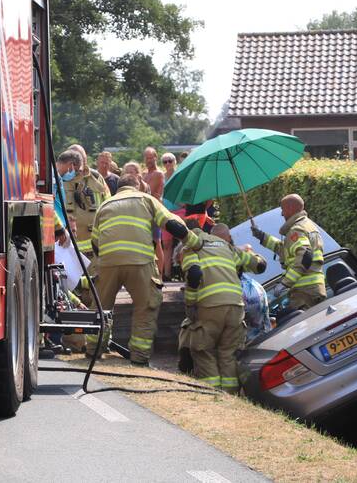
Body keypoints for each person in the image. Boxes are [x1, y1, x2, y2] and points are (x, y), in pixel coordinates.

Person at [86, 173, 200, 366]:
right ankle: (139, 358)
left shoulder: (105, 205)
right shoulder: (146, 199)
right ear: (137, 184)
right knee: (146, 307)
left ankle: (93, 351)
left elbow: (95, 242)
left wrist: (106, 260)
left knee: (101, 307)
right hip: (140, 262)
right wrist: (195, 242)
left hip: (108, 263)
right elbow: (171, 224)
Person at [179, 223, 267, 392]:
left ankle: (213, 396)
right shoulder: (228, 248)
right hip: (236, 308)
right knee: (229, 354)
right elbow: (259, 265)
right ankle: (231, 397)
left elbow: (194, 276)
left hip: (210, 306)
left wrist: (190, 306)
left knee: (204, 350)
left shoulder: (192, 248)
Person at [251, 193, 326, 311]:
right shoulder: (307, 225)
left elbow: (305, 256)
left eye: (283, 209)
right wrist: (262, 236)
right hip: (313, 289)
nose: (281, 213)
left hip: (304, 292)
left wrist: (285, 283)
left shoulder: (297, 230)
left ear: (290, 208)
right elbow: (286, 250)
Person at [61, 147, 110, 256]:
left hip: (95, 246)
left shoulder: (96, 178)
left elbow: (109, 205)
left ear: (85, 159)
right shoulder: (58, 179)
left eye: (79, 160)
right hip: (67, 248)